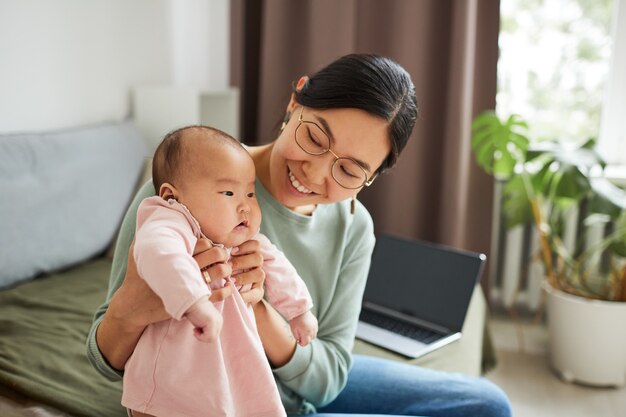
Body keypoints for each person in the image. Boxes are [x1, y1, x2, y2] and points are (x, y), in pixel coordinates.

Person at [88, 53, 512, 417]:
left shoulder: (353, 227)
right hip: (222, 397)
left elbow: (328, 376)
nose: (314, 173)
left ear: (372, 179)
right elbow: (104, 359)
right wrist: (138, 306)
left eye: (348, 171)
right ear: (296, 100)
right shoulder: (188, 187)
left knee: (487, 404)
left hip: (296, 386)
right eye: (314, 137)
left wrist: (257, 309)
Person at [123, 127, 317, 417]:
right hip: (172, 376)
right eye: (228, 192)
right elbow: (160, 254)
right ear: (172, 196)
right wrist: (194, 303)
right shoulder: (171, 223)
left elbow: (279, 267)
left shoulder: (243, 244)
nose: (246, 207)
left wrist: (300, 312)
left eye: (250, 193)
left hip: (229, 367)